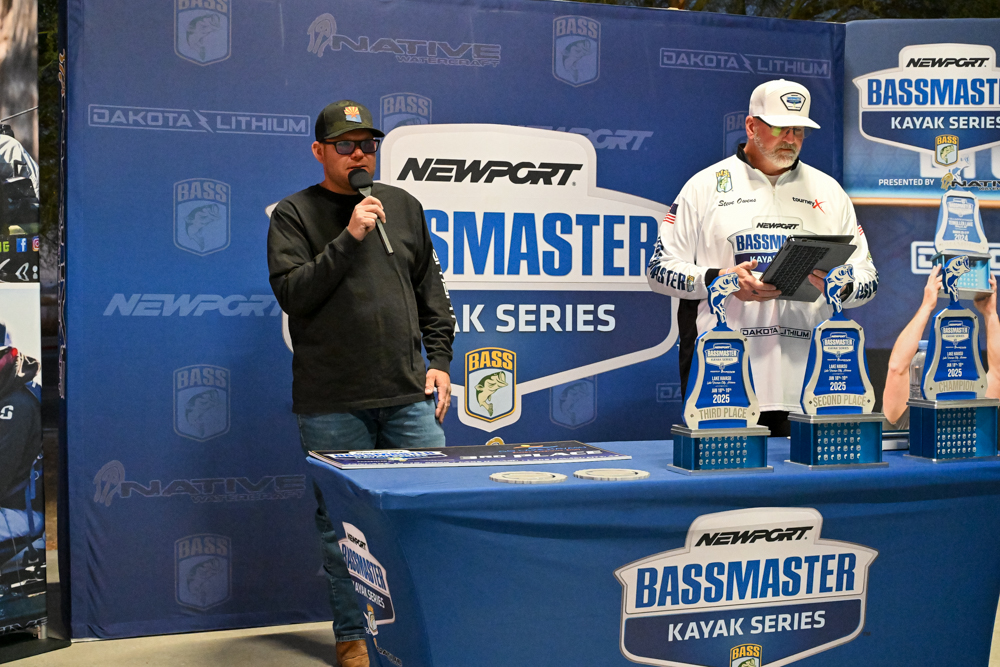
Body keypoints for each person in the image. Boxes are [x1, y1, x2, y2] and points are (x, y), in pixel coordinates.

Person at [267, 100, 455, 667]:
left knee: (433, 511)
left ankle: (435, 630)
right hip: (333, 401)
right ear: (319, 151)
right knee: (342, 531)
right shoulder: (294, 214)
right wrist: (349, 236)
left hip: (408, 394)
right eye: (345, 145)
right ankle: (354, 638)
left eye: (367, 144)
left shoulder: (403, 206)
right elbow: (294, 294)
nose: (358, 154)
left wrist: (440, 360)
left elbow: (431, 292)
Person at [646, 79, 878, 435]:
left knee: (806, 472)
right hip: (724, 376)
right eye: (780, 128)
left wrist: (842, 287)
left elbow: (869, 278)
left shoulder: (829, 191)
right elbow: (659, 270)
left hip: (811, 382)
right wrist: (720, 280)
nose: (791, 139)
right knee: (724, 471)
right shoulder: (704, 186)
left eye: (798, 130)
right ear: (752, 126)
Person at [883, 266, 1000, 428]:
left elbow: (997, 373)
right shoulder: (907, 411)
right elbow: (897, 368)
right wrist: (926, 306)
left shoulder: (970, 406)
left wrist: (990, 313)